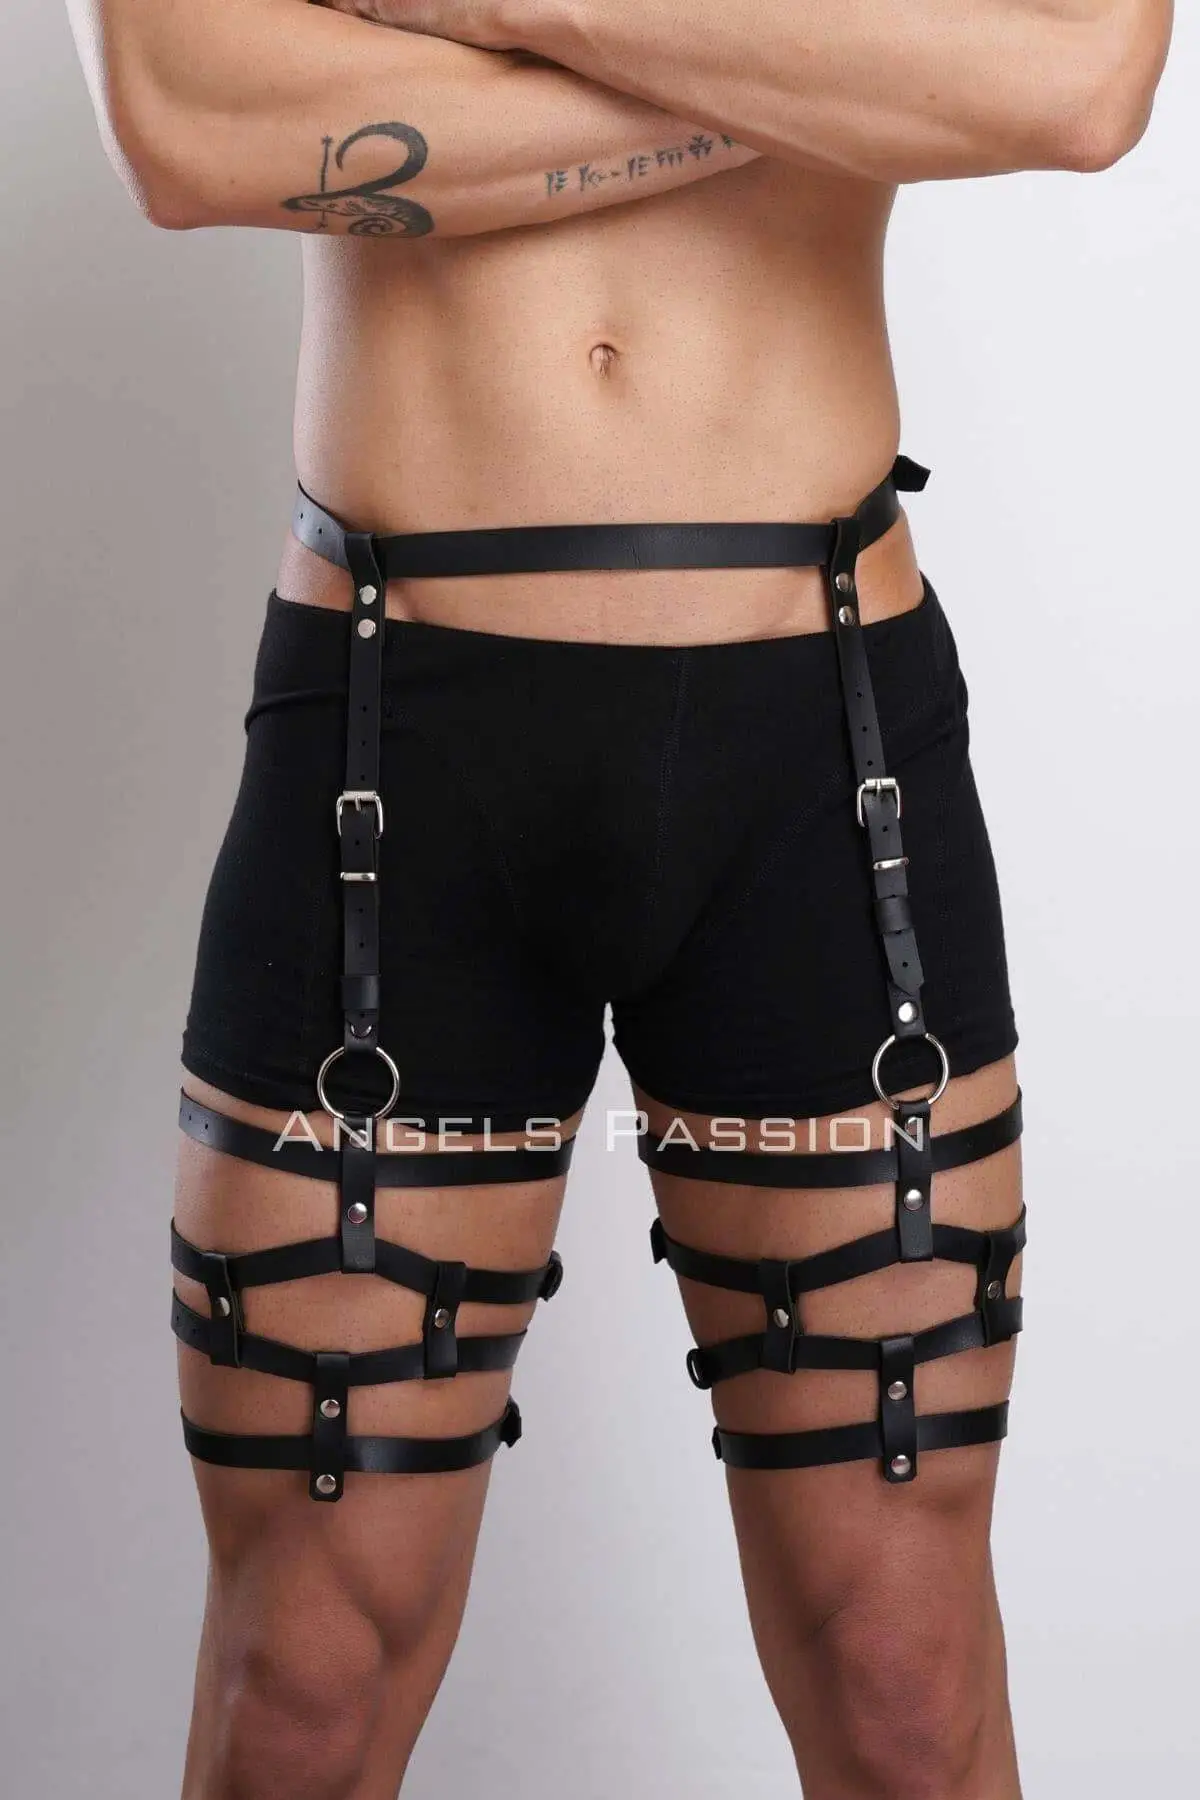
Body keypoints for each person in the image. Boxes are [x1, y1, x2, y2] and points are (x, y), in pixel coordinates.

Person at [72, 2, 1172, 1795]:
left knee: (904, 1684)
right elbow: (185, 124)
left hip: (824, 739)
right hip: (389, 730)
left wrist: (498, 14)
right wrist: (828, 76)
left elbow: (1079, 78)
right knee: (301, 1694)